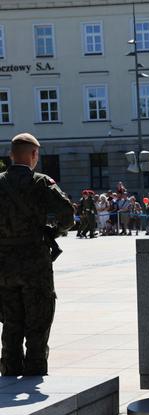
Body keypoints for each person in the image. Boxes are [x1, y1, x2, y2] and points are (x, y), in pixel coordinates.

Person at [0, 133, 74, 375]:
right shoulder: (41, 182)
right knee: (38, 320)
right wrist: (53, 231)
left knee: (11, 321)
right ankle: (35, 370)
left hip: (4, 265)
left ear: (11, 155)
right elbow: (67, 216)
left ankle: (9, 371)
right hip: (35, 264)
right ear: (34, 155)